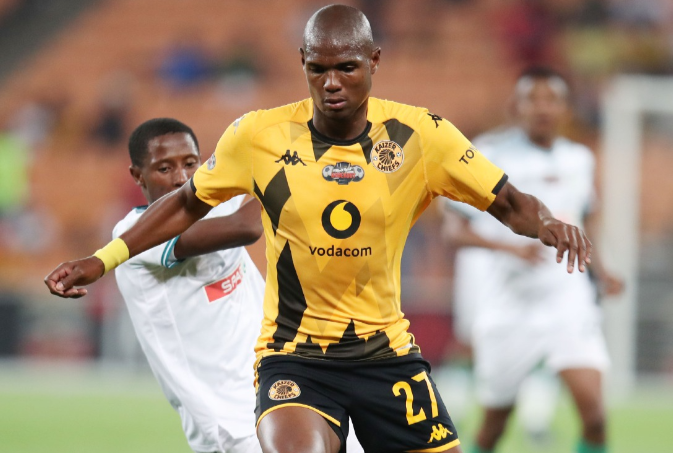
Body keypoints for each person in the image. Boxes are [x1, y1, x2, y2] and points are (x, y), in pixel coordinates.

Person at [45, 6, 592, 453]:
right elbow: (187, 203)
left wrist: (548, 225)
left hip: (386, 354)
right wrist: (103, 260)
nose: (331, 83)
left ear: (375, 61)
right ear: (302, 62)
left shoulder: (421, 136)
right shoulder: (257, 135)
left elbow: (508, 200)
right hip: (295, 357)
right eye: (317, 69)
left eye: (347, 68)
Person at [442, 67, 623, 453]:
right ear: (515, 107)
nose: (542, 108)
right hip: (508, 308)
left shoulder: (579, 159)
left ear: (565, 109)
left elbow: (584, 217)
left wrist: (602, 271)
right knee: (493, 429)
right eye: (532, 99)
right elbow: (453, 231)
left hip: (567, 302)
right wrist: (510, 248)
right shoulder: (488, 155)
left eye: (551, 99)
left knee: (595, 416)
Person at [107, 117, 267, 453]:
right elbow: (246, 227)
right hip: (230, 424)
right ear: (138, 176)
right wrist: (295, 178)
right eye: (164, 168)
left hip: (284, 394)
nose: (181, 178)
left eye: (190, 164)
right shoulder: (134, 235)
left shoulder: (219, 203)